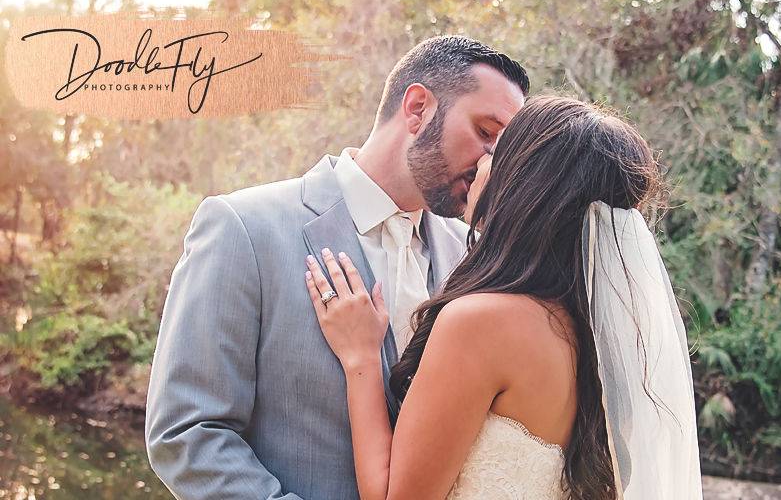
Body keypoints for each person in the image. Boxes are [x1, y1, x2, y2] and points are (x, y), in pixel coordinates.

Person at [144, 35, 529, 499]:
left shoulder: (474, 259)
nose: (491, 165)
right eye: (486, 133)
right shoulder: (243, 228)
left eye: (503, 151)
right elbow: (187, 432)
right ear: (417, 107)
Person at [305, 95, 703, 499]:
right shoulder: (613, 340)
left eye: (496, 150)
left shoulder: (482, 322)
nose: (480, 162)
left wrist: (361, 359)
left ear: (526, 182)